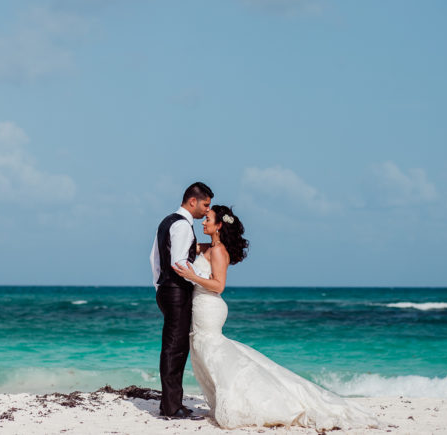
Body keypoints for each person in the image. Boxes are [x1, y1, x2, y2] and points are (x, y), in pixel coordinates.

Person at [173, 205, 379, 431]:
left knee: (214, 353)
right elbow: (188, 247)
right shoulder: (209, 248)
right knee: (208, 354)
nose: (203, 222)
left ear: (219, 225)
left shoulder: (220, 251)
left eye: (208, 219)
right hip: (201, 306)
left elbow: (219, 286)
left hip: (210, 307)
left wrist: (193, 276)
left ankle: (245, 402)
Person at [150, 182, 214, 419]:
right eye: (205, 205)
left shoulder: (167, 222)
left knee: (174, 347)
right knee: (175, 349)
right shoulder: (183, 225)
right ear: (192, 201)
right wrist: (202, 278)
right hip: (176, 290)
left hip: (167, 289)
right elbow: (179, 262)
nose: (207, 211)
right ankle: (171, 406)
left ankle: (169, 402)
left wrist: (159, 286)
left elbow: (154, 258)